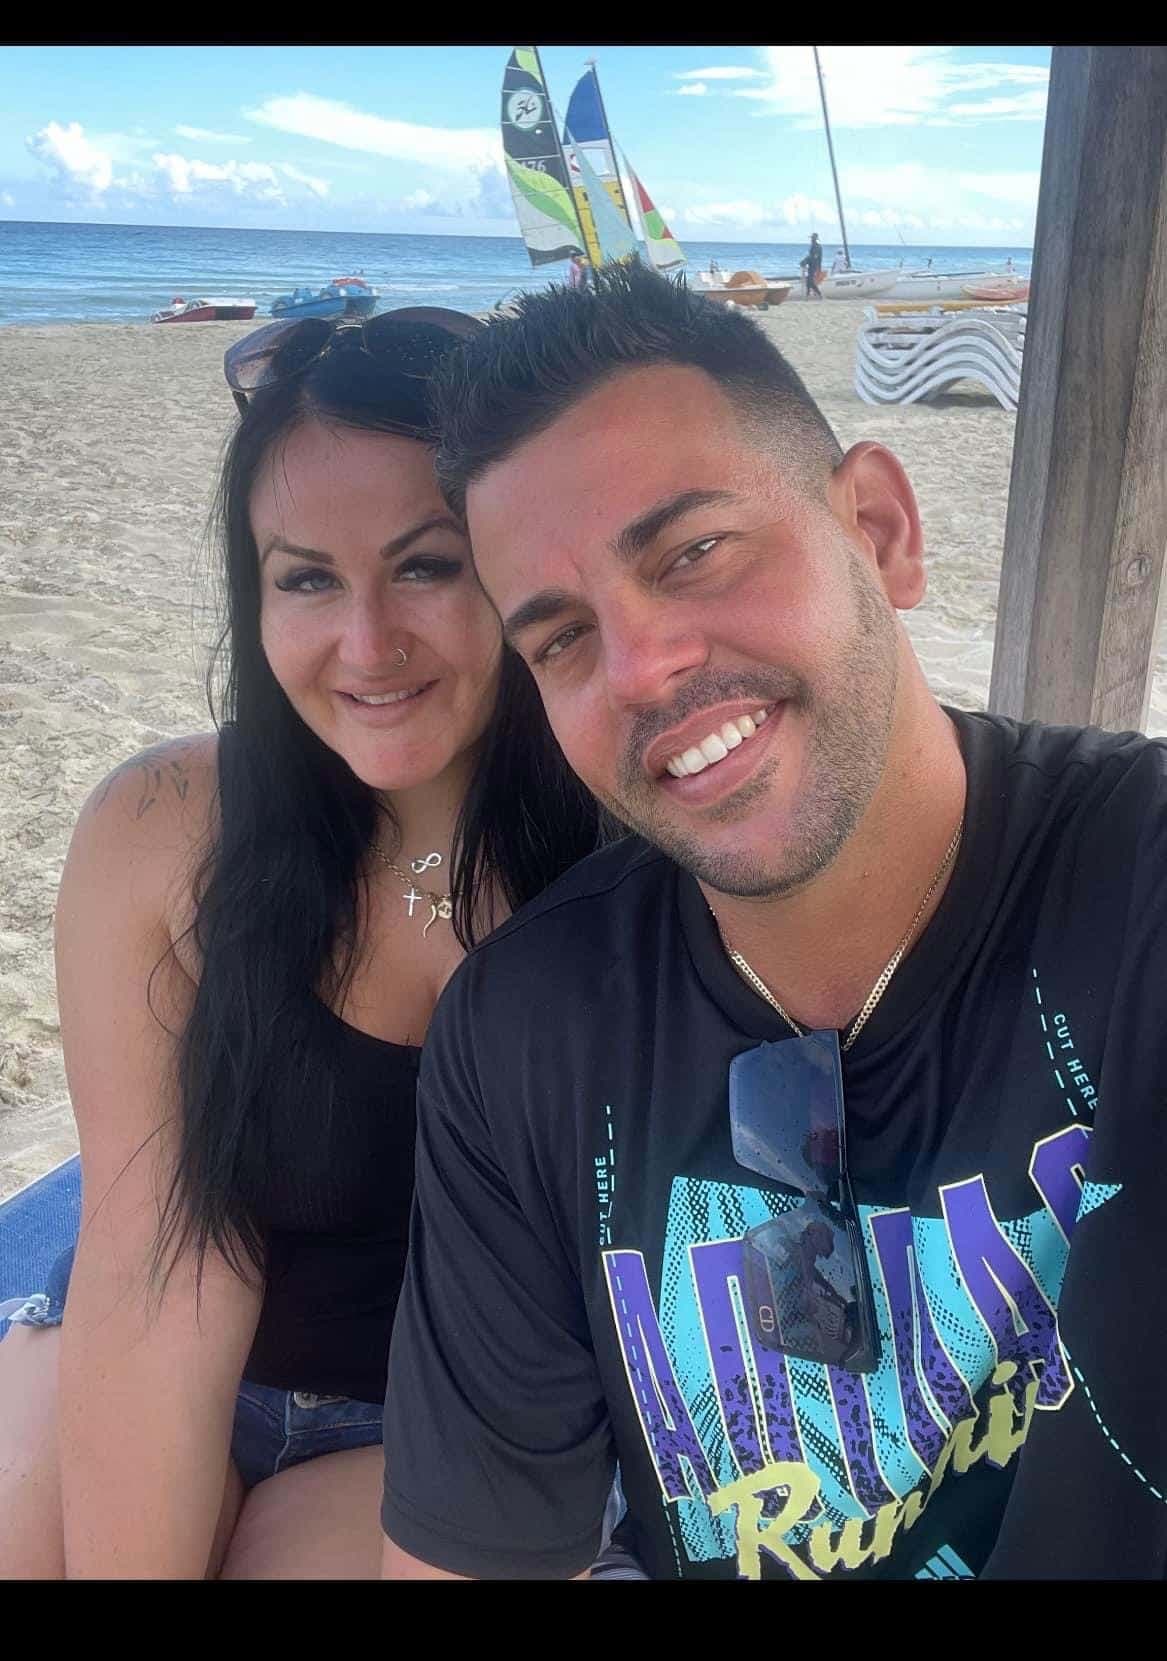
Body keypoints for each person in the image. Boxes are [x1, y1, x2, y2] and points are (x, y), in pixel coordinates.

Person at [378, 261, 1167, 1581]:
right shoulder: (529, 1031)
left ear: (879, 529)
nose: (640, 668)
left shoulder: (1135, 894)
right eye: (562, 638)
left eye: (693, 552)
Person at [0, 307, 608, 1579]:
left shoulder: (626, 857)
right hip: (150, 1340)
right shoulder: (164, 829)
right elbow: (161, 1256)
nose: (367, 644)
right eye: (308, 578)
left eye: (427, 565)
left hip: (457, 1421)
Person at [800, 232, 823, 299]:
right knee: (809, 280)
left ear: (815, 239)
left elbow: (815, 257)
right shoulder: (813, 245)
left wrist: (805, 261)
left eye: (812, 238)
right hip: (811, 264)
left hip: (814, 265)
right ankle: (809, 294)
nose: (811, 239)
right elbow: (811, 256)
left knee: (810, 280)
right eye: (811, 238)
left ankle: (818, 294)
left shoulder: (817, 246)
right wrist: (805, 261)